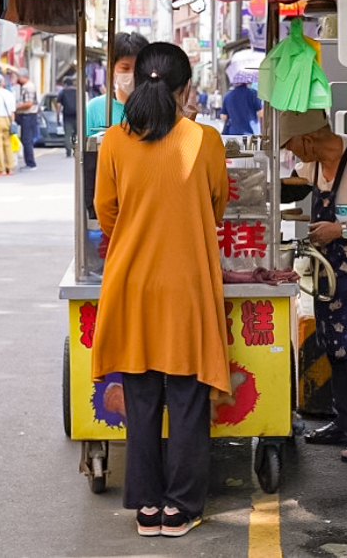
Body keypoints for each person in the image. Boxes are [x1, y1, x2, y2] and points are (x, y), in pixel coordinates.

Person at [92, 42, 230, 538]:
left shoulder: (112, 140)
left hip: (129, 282)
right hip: (186, 284)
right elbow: (216, 209)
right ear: (184, 88)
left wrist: (135, 232)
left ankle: (146, 507)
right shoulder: (205, 140)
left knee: (142, 395)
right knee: (188, 397)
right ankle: (180, 506)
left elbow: (105, 211)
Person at [279, 109, 347, 464]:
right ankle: (346, 422)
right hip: (329, 269)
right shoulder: (313, 166)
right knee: (334, 345)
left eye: (291, 146)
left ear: (308, 137)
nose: (292, 156)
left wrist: (340, 230)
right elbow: (294, 187)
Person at [85, 32, 149, 137]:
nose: (133, 74)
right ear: (112, 68)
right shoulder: (94, 109)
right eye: (125, 68)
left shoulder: (157, 107)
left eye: (138, 68)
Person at [15, 67, 39, 170]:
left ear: (23, 77)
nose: (18, 79)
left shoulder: (28, 87)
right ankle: (29, 162)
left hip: (28, 115)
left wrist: (15, 107)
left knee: (26, 140)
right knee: (26, 139)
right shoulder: (26, 86)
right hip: (27, 116)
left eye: (18, 77)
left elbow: (29, 103)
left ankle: (30, 163)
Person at [56, 75, 78, 157]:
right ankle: (76, 149)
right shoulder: (77, 91)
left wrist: (57, 115)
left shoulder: (62, 92)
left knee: (67, 134)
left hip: (67, 115)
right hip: (77, 115)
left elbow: (58, 105)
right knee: (77, 134)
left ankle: (68, 151)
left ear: (65, 83)